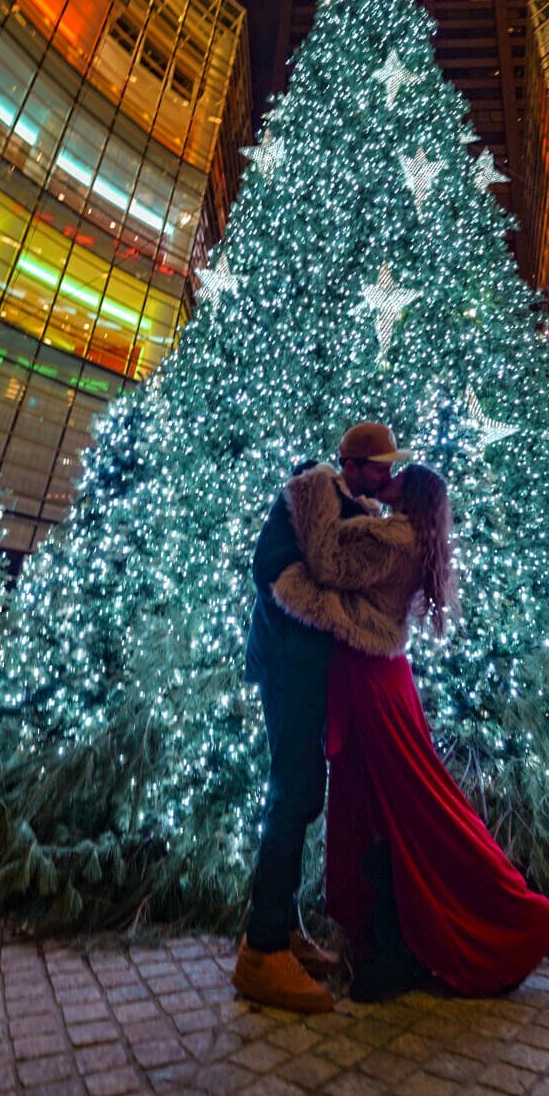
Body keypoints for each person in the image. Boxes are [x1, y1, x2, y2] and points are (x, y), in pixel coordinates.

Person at [271, 460, 549, 999]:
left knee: (404, 804)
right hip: (378, 676)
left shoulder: (392, 536)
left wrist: (309, 506)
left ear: (413, 492)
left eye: (400, 475)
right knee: (388, 803)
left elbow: (330, 566)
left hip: (371, 678)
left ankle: (454, 928)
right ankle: (387, 938)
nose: (391, 476)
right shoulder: (406, 533)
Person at [232, 422, 411, 1013]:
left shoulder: (352, 506)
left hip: (311, 672)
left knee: (303, 796)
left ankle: (277, 928)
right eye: (380, 468)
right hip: (289, 668)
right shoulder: (311, 493)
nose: (387, 478)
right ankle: (261, 951)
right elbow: (270, 570)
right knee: (294, 792)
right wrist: (330, 614)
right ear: (353, 464)